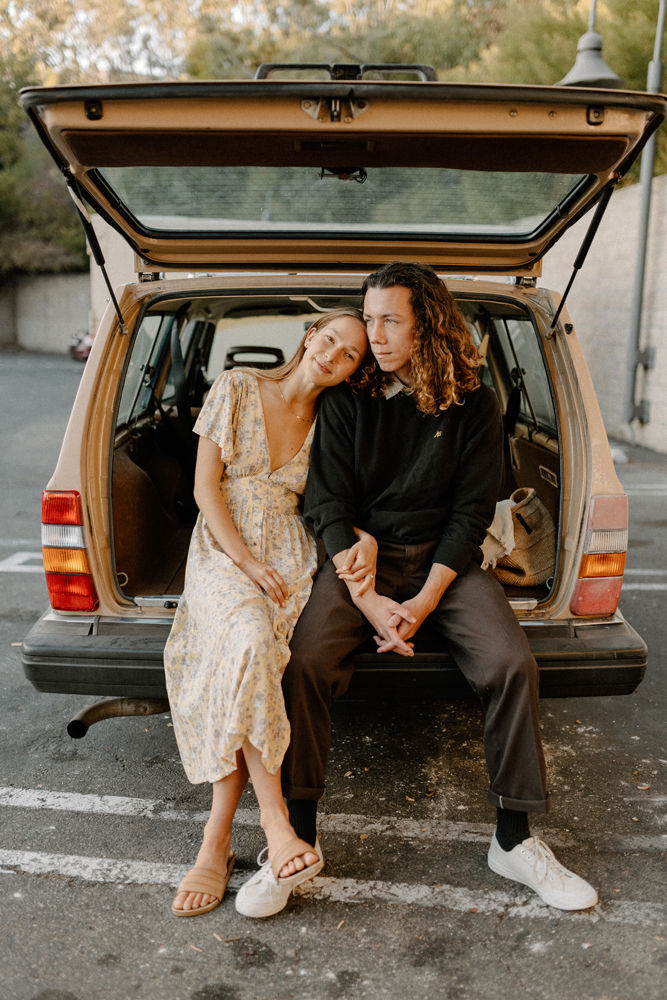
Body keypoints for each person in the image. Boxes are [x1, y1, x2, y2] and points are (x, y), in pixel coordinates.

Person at [274, 262, 598, 913]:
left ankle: (513, 839)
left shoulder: (474, 402)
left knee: (510, 665)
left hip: (445, 563)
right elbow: (326, 503)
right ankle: (297, 838)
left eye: (388, 319)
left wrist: (422, 602)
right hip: (358, 562)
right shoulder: (346, 400)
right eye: (368, 319)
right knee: (304, 661)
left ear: (427, 324)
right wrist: (367, 599)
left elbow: (472, 511)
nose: (375, 334)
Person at [165, 307, 372, 919]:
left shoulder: (331, 421)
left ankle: (218, 842)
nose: (333, 353)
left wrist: (367, 541)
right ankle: (276, 823)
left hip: (291, 554)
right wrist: (248, 564)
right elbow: (206, 489)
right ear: (310, 337)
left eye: (350, 353)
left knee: (249, 663)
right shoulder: (237, 386)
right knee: (252, 641)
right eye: (329, 338)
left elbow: (333, 500)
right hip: (225, 548)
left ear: (353, 371)